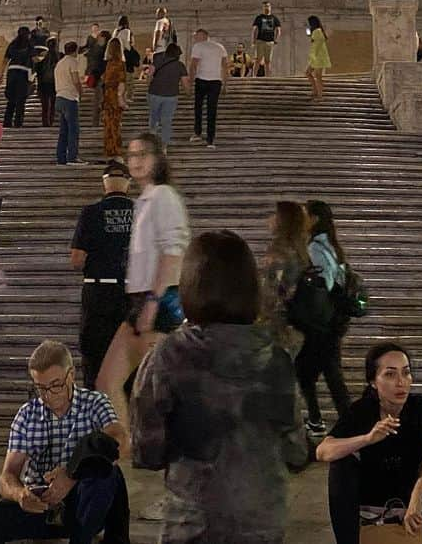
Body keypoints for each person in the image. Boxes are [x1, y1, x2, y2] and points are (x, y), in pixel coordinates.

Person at [130, 230, 307, 544]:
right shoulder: (277, 361)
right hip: (262, 522)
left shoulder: (168, 356)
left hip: (194, 522)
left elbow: (147, 450)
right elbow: (296, 451)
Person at [0, 339, 127, 544]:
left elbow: (118, 441)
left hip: (82, 503)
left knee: (107, 473)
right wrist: (20, 495)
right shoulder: (27, 414)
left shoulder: (95, 403)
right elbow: (7, 476)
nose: (47, 395)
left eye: (55, 385)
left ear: (70, 375)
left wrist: (71, 474)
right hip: (42, 504)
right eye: (40, 388)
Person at [96, 132, 190, 433]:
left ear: (157, 158)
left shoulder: (163, 196)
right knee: (108, 383)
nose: (135, 161)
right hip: (140, 302)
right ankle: (128, 455)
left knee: (160, 393)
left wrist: (152, 300)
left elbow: (172, 253)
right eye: (132, 155)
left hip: (159, 303)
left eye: (142, 154)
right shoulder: (146, 200)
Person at [317, 341, 422, 544]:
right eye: (390, 374)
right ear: (373, 381)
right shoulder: (361, 410)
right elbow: (323, 452)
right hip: (373, 494)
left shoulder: (421, 408)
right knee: (340, 465)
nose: (401, 382)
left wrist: (417, 493)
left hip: (412, 491)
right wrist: (367, 439)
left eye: (405, 373)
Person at [71, 161, 134, 385]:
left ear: (104, 183)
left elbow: (77, 259)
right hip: (131, 293)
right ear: (128, 182)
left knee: (94, 361)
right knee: (129, 366)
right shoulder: (141, 211)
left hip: (97, 292)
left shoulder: (90, 212)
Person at [297, 198, 352, 436]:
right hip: (333, 322)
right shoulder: (331, 245)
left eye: (304, 215)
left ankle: (323, 422)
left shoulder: (316, 248)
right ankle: (336, 422)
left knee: (313, 373)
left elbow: (325, 284)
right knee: (324, 374)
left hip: (323, 324)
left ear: (315, 219)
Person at [260, 200, 309, 358]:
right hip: (296, 325)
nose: (269, 219)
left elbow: (271, 291)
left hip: (277, 327)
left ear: (283, 220)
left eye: (274, 215)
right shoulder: (301, 250)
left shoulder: (280, 251)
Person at [189, 26, 228, 146]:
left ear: (202, 35)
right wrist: (225, 83)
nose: (195, 38)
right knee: (212, 110)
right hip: (216, 81)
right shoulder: (220, 47)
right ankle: (210, 139)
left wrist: (190, 81)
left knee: (198, 107)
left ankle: (198, 133)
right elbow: (225, 66)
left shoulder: (198, 46)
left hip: (202, 79)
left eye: (196, 36)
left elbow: (193, 65)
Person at [147, 40, 188, 150]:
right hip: (171, 95)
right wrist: (188, 93)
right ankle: (164, 146)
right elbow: (185, 82)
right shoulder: (180, 66)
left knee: (154, 117)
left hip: (155, 93)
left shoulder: (157, 61)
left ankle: (153, 138)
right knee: (167, 121)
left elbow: (149, 75)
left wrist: (149, 85)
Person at [53, 40, 86, 166]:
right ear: (75, 51)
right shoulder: (73, 62)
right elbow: (75, 80)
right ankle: (72, 156)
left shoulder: (59, 64)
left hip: (59, 97)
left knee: (63, 130)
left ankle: (61, 157)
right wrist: (81, 92)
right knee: (73, 129)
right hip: (69, 98)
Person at [2, 26, 35, 128]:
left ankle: (7, 122)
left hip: (11, 72)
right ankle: (18, 123)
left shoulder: (13, 44)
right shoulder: (29, 45)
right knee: (21, 100)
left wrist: (1, 75)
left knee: (11, 99)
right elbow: (34, 59)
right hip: (23, 73)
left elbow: (5, 60)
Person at [100, 37, 128, 159]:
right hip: (114, 96)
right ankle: (116, 148)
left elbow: (105, 81)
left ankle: (109, 148)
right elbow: (121, 82)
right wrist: (121, 99)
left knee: (108, 123)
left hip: (107, 96)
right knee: (115, 123)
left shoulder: (108, 64)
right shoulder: (120, 64)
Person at [251, 0, 282, 76]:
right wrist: (253, 41)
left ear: (270, 7)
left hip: (270, 42)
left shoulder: (274, 18)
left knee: (268, 61)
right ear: (263, 7)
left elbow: (278, 30)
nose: (266, 8)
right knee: (258, 59)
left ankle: (267, 77)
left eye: (268, 6)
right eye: (265, 6)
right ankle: (254, 76)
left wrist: (276, 40)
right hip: (260, 41)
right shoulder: (259, 17)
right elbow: (254, 29)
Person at [306, 15, 332, 101]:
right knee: (308, 73)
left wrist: (312, 56)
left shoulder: (317, 31)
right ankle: (315, 91)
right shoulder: (317, 31)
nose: (308, 25)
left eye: (309, 23)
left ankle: (320, 96)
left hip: (318, 57)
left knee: (318, 76)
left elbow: (316, 46)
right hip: (316, 57)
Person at [36, 38, 60, 128]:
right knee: (53, 104)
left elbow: (38, 70)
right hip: (55, 83)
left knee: (45, 105)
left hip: (43, 83)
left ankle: (45, 122)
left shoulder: (43, 57)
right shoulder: (59, 56)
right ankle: (51, 120)